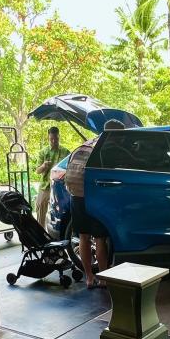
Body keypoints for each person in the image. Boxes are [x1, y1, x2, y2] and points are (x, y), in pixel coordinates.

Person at [65, 119, 125, 288]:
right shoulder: (109, 147)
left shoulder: (88, 144)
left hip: (76, 196)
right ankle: (104, 278)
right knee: (99, 238)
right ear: (115, 133)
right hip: (94, 197)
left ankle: (89, 278)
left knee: (83, 237)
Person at [34, 127, 70, 229]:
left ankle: (58, 235)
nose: (54, 141)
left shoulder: (66, 152)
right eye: (51, 139)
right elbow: (37, 171)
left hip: (60, 188)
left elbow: (70, 168)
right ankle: (40, 234)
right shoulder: (43, 152)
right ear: (48, 138)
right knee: (40, 209)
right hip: (45, 186)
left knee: (62, 212)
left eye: (56, 139)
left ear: (59, 137)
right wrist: (44, 166)